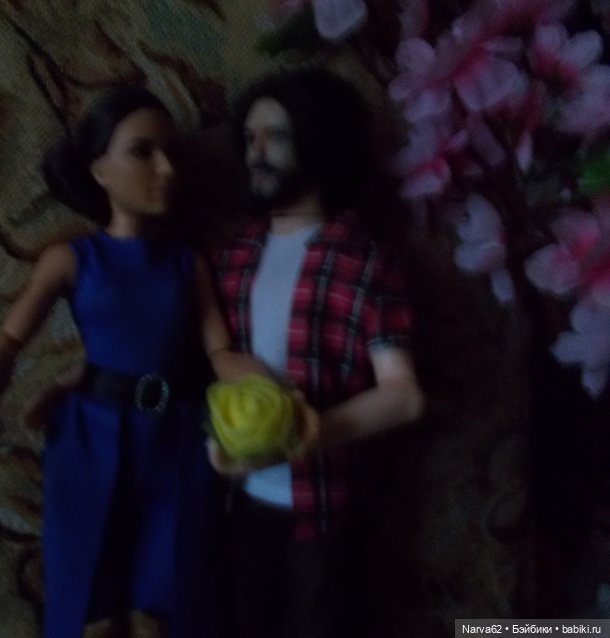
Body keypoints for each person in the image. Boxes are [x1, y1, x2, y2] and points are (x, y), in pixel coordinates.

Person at [0, 86, 266, 638]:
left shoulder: (189, 264)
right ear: (99, 170)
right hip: (91, 443)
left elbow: (219, 353)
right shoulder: (72, 260)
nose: (166, 168)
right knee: (88, 602)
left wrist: (273, 390)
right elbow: (1, 352)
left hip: (179, 444)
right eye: (142, 151)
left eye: (171, 154)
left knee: (180, 601)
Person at [207, 68, 426, 638]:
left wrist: (313, 432)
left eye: (275, 136)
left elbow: (403, 395)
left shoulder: (362, 260)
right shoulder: (233, 258)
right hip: (241, 498)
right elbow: (209, 359)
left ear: (319, 142)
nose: (256, 151)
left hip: (326, 505)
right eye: (249, 137)